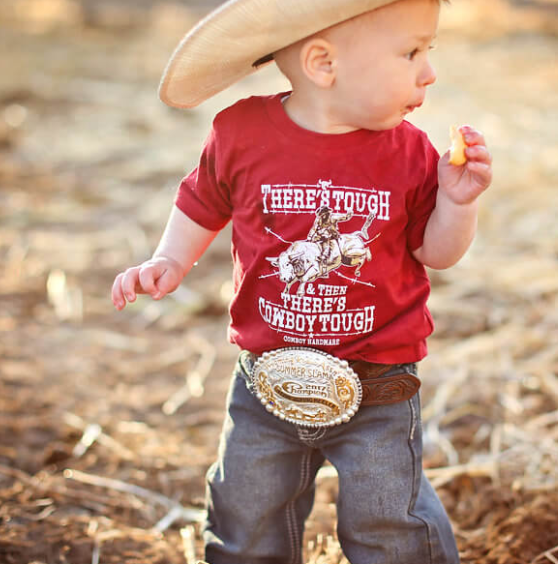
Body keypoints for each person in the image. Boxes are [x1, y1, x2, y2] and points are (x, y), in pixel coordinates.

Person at [110, 0, 493, 562]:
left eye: (427, 51)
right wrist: (170, 258)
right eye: (411, 52)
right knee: (246, 514)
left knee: (390, 523)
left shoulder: (410, 151)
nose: (429, 71)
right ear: (322, 63)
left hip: (379, 385)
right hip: (266, 383)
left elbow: (434, 252)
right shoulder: (239, 132)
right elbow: (202, 200)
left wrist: (458, 205)